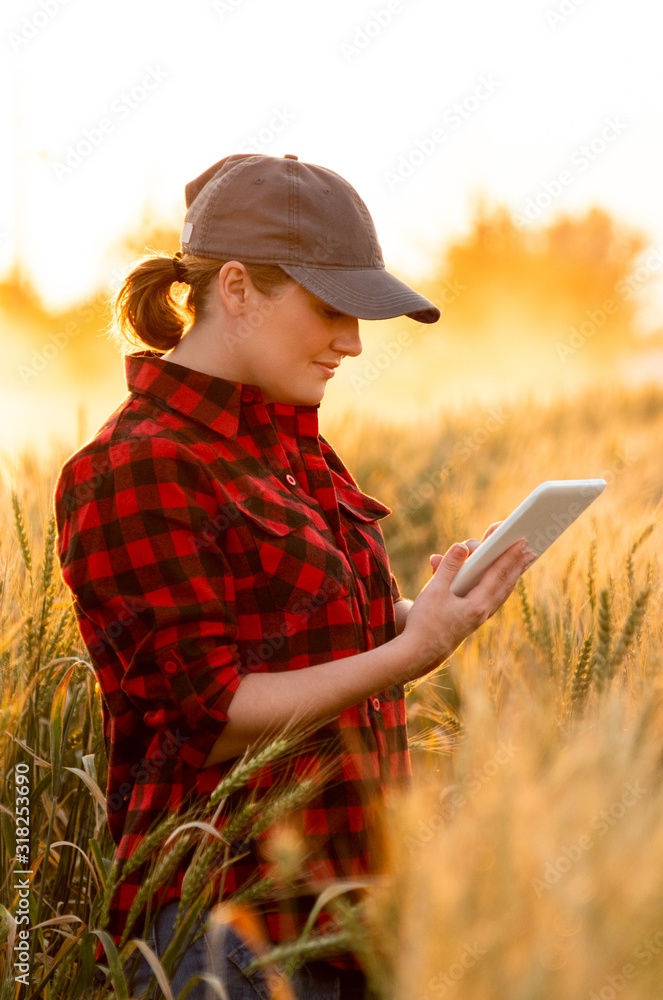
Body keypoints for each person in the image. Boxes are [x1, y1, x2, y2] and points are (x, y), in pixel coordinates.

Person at [53, 153, 535, 999]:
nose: (352, 342)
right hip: (227, 936)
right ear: (235, 288)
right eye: (329, 309)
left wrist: (425, 613)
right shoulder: (137, 467)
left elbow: (300, 643)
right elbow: (210, 716)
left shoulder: (288, 445)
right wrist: (408, 655)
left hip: (349, 917)